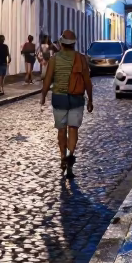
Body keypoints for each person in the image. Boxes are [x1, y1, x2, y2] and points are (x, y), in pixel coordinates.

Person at [40, 29, 93, 178]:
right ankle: (70, 156)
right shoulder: (81, 59)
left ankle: (63, 156)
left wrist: (43, 95)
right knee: (73, 129)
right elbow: (87, 81)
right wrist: (91, 99)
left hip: (59, 98)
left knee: (61, 130)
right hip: (76, 98)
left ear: (62, 43)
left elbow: (48, 79)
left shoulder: (54, 59)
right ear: (74, 44)